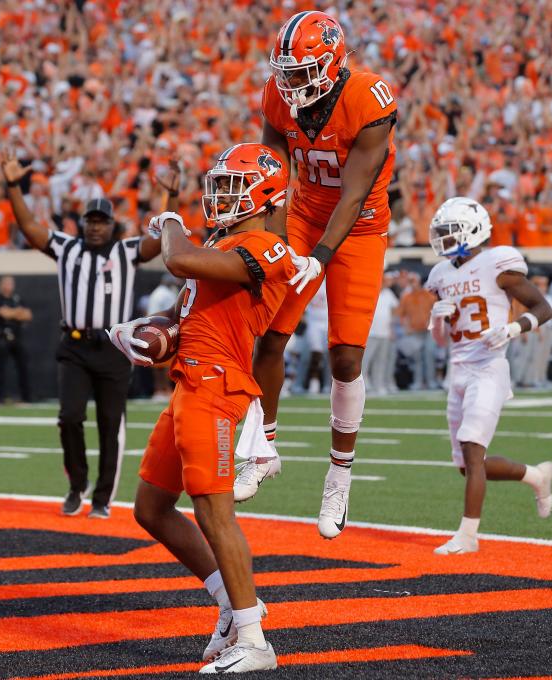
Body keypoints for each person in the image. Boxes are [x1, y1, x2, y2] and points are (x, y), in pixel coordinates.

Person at [109, 143, 294, 673]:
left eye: (233, 186)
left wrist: (168, 215)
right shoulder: (226, 240)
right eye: (219, 185)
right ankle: (233, 606)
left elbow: (177, 257)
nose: (220, 197)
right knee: (151, 507)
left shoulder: (268, 244)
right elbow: (188, 301)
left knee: (214, 510)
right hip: (188, 378)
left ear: (265, 196)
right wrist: (152, 330)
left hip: (216, 384)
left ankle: (255, 640)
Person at [240, 11, 399, 539]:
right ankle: (262, 448)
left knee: (345, 355)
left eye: (302, 72)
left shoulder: (368, 99)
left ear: (332, 64)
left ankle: (339, 474)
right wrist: (274, 238)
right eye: (286, 72)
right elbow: (272, 163)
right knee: (270, 332)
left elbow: (355, 193)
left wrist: (319, 256)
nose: (291, 84)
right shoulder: (279, 94)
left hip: (360, 227)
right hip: (304, 216)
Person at [1, 149, 168, 519]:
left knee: (111, 424)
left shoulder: (126, 251)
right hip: (74, 346)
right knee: (69, 417)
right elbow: (30, 228)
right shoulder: (66, 247)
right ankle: (77, 484)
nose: (95, 227)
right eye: (90, 221)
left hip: (112, 348)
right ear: (81, 223)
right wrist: (13, 186)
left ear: (112, 225)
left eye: (101, 221)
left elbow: (158, 241)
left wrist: (166, 198)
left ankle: (103, 497)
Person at [424, 197, 552, 556]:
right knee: (468, 466)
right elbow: (440, 339)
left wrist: (514, 328)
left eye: (449, 232)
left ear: (473, 230)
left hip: (489, 368)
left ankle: (467, 536)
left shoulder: (497, 263)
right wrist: (437, 319)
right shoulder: (441, 275)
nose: (443, 239)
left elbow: (544, 308)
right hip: (459, 371)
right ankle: (536, 476)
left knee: (472, 448)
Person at [0, 276, 33, 403]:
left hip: (18, 337)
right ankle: (0, 398)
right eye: (6, 283)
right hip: (3, 337)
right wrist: (17, 312)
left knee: (23, 367)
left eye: (11, 283)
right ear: (1, 285)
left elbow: (28, 315)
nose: (9, 286)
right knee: (1, 369)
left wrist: (12, 312)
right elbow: (3, 313)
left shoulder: (17, 298)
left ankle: (26, 397)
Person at [397, 274, 440, 390]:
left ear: (419, 282)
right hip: (414, 332)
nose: (412, 284)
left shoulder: (428, 295)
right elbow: (400, 315)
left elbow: (437, 311)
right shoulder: (406, 297)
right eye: (410, 281)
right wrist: (406, 327)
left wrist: (431, 323)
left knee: (429, 355)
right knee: (417, 359)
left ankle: (431, 381)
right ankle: (418, 382)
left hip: (428, 332)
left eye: (414, 281)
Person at [361, 277, 398, 396]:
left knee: (381, 361)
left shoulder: (389, 294)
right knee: (366, 360)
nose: (388, 283)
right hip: (370, 333)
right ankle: (364, 385)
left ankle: (379, 385)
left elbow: (394, 310)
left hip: (385, 333)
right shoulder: (370, 290)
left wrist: (391, 329)